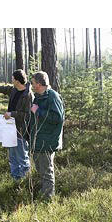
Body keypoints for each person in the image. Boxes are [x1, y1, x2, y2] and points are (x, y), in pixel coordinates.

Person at [0, 69, 35, 181]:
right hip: (10, 128)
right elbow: (3, 88)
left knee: (22, 157)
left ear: (17, 80)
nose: (11, 80)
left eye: (12, 78)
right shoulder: (14, 90)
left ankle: (25, 181)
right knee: (12, 157)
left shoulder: (28, 96)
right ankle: (16, 179)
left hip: (21, 130)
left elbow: (27, 115)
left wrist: (12, 114)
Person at [30, 71, 65, 201]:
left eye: (33, 83)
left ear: (39, 84)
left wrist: (38, 111)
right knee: (40, 169)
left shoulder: (53, 97)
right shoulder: (39, 96)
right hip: (38, 140)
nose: (32, 85)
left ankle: (47, 200)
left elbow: (57, 118)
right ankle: (44, 194)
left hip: (47, 141)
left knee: (46, 173)